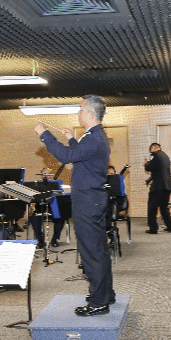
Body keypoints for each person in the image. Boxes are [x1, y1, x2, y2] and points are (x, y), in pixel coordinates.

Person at [35, 95, 114, 315]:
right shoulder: (95, 135)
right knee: (99, 250)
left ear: (90, 113)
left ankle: (98, 302)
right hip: (94, 199)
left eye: (80, 110)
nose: (78, 113)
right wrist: (71, 138)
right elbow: (80, 155)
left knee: (91, 253)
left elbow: (66, 156)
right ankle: (106, 294)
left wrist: (44, 134)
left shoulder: (93, 138)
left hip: (88, 202)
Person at [143, 142, 171, 234]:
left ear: (152, 149)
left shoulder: (155, 155)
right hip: (167, 186)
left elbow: (149, 167)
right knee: (164, 207)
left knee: (152, 207)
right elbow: (159, 170)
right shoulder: (165, 156)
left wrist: (145, 164)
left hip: (158, 186)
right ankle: (170, 226)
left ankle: (153, 228)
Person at [29, 167, 66, 247]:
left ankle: (55, 239)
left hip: (54, 207)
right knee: (35, 218)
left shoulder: (57, 184)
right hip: (40, 207)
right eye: (44, 174)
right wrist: (32, 206)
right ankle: (40, 240)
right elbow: (32, 198)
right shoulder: (37, 185)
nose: (46, 176)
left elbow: (62, 196)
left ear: (52, 175)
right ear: (41, 175)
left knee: (60, 219)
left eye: (48, 174)